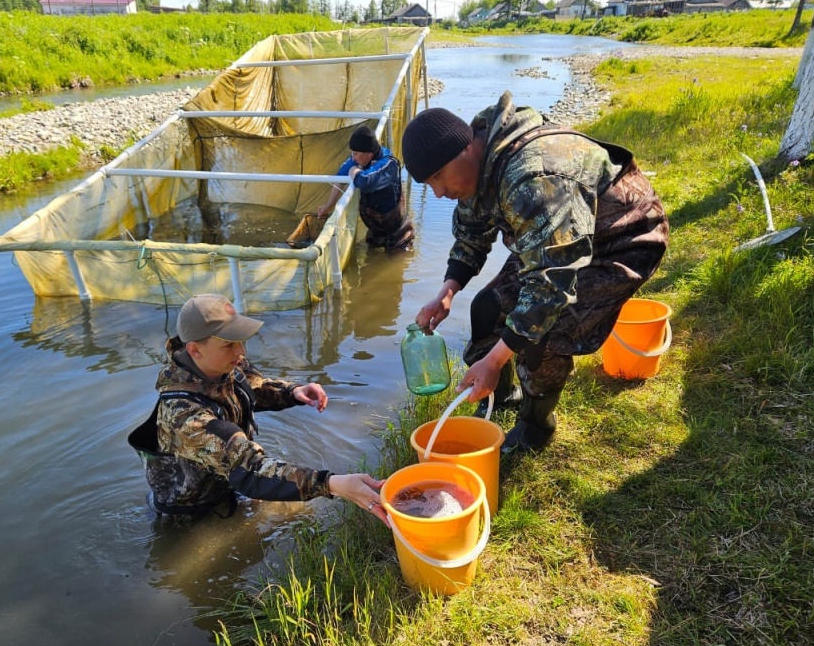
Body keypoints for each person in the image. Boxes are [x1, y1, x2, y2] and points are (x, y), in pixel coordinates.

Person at [401, 92, 670, 455]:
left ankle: (535, 427)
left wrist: (496, 359)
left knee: (541, 337)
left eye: (437, 178)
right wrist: (447, 292)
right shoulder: (476, 162)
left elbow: (550, 287)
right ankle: (501, 396)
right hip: (559, 238)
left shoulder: (533, 177)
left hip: (622, 236)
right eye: (428, 185)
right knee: (487, 308)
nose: (437, 192)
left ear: (464, 151)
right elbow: (471, 233)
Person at [129, 293, 388, 523]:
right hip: (192, 513)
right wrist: (332, 484)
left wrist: (292, 392)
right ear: (194, 350)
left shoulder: (222, 362)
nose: (241, 351)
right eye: (229, 344)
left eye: (241, 340)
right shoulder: (184, 415)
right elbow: (250, 469)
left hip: (225, 484)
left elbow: (252, 385)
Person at [317, 124, 414, 251]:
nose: (353, 158)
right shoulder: (360, 159)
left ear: (369, 154)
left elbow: (366, 182)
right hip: (375, 230)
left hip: (398, 233)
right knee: (369, 264)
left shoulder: (389, 164)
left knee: (397, 264)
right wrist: (329, 205)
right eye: (352, 153)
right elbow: (340, 178)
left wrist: (354, 171)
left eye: (356, 154)